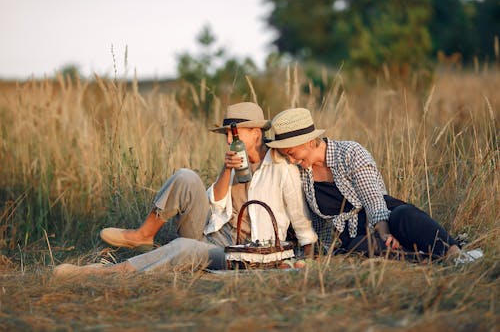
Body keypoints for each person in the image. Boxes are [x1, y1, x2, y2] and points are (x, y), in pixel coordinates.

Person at [54, 102, 317, 276]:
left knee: (182, 248)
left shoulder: (281, 167)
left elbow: (300, 217)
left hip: (243, 249)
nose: (228, 139)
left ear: (256, 133)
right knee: (186, 176)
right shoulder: (234, 160)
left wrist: (308, 256)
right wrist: (226, 170)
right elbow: (214, 206)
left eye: (234, 134)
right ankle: (144, 234)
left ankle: (105, 273)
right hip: (211, 233)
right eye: (226, 134)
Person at [265, 107, 482, 263]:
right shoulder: (301, 172)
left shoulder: (349, 153)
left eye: (292, 153)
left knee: (405, 216)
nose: (291, 160)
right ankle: (424, 260)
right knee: (359, 247)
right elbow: (314, 221)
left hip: (381, 219)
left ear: (310, 142)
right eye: (287, 156)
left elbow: (374, 201)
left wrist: (384, 233)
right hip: (350, 237)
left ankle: (454, 254)